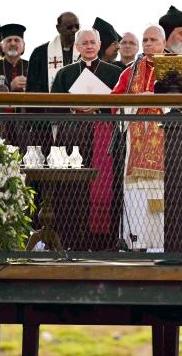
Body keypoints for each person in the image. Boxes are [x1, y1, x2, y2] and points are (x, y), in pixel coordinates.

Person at [111, 24, 182, 252]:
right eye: (145, 40)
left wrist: (158, 100)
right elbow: (115, 105)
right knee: (139, 199)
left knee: (174, 192)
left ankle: (179, 246)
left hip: (173, 145)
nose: (148, 44)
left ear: (163, 42)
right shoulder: (130, 72)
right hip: (139, 153)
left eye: (153, 40)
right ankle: (138, 244)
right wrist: (140, 99)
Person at [51, 28, 123, 250]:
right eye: (85, 43)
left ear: (100, 45)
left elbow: (120, 104)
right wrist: (72, 107)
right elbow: (53, 107)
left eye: (93, 42)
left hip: (104, 140)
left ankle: (104, 242)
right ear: (77, 47)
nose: (89, 46)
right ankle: (72, 240)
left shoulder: (115, 72)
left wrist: (98, 107)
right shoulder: (65, 73)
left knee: (104, 188)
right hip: (74, 138)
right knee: (73, 190)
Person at [27, 11, 80, 92]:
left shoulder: (83, 52)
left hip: (77, 103)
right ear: (58, 28)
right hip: (48, 103)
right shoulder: (40, 53)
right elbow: (32, 87)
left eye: (77, 26)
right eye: (69, 27)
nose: (74, 30)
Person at [0, 23, 28, 91]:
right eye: (9, 40)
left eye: (16, 40)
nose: (13, 43)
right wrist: (10, 87)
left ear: (23, 46)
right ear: (2, 47)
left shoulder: (32, 67)